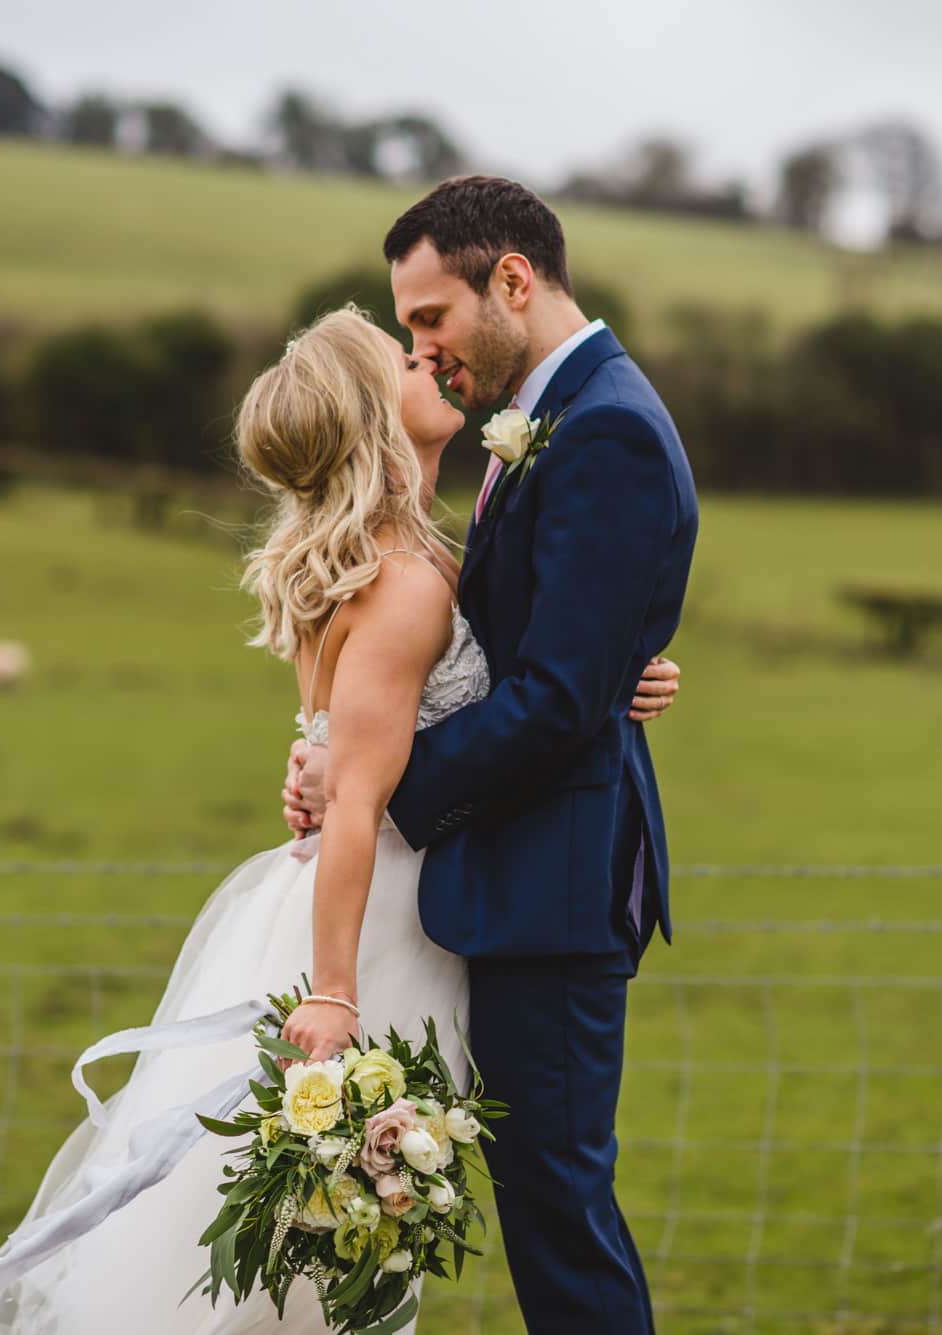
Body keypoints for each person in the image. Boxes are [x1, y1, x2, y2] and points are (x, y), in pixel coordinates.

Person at [0, 297, 683, 1333]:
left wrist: (609, 674)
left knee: (341, 1231)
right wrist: (334, 994)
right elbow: (357, 798)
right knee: (329, 1244)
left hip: (391, 897)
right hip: (378, 927)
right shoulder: (406, 582)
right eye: (405, 358)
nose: (430, 360)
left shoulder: (389, 560)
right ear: (380, 416)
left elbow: (377, 735)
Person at [284, 175, 698, 1333]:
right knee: (532, 1208)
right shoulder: (549, 416)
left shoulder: (603, 426)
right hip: (511, 877)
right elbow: (552, 650)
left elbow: (560, 699)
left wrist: (377, 787)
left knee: (558, 1218)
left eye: (430, 319)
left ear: (510, 280)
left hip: (551, 891)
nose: (425, 347)